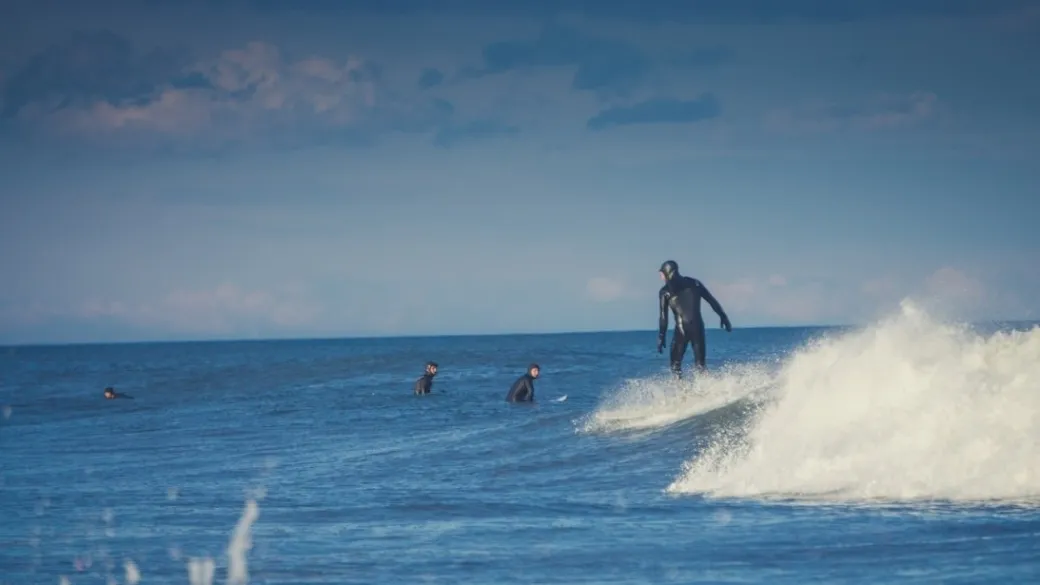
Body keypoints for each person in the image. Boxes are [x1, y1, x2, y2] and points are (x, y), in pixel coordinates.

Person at [657, 260, 732, 377]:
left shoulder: (664, 291)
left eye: (661, 273)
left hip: (681, 330)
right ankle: (706, 389)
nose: (660, 276)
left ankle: (680, 391)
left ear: (668, 273)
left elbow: (663, 317)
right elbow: (711, 300)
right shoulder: (694, 283)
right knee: (700, 365)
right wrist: (723, 316)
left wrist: (662, 336)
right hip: (698, 327)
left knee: (675, 366)